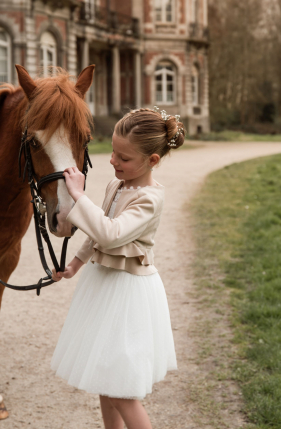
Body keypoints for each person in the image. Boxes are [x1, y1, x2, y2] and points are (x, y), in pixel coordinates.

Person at [51, 107, 185, 429]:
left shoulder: (149, 199)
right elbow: (97, 234)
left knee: (122, 388)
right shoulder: (118, 185)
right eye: (113, 152)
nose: (113, 161)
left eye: (123, 158)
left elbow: (110, 234)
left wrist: (79, 196)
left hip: (127, 294)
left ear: (152, 160)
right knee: (103, 376)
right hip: (103, 285)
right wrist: (74, 265)